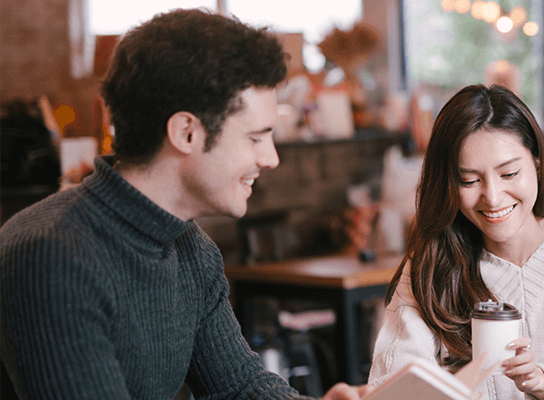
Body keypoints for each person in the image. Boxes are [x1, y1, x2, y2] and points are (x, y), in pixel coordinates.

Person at [0, 9, 358, 399]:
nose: (270, 158)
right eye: (256, 138)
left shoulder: (192, 249)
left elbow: (241, 387)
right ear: (186, 133)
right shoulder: (52, 255)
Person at [364, 84, 544, 400]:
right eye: (469, 180)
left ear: (537, 162)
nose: (492, 198)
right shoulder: (429, 266)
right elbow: (389, 384)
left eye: (508, 174)